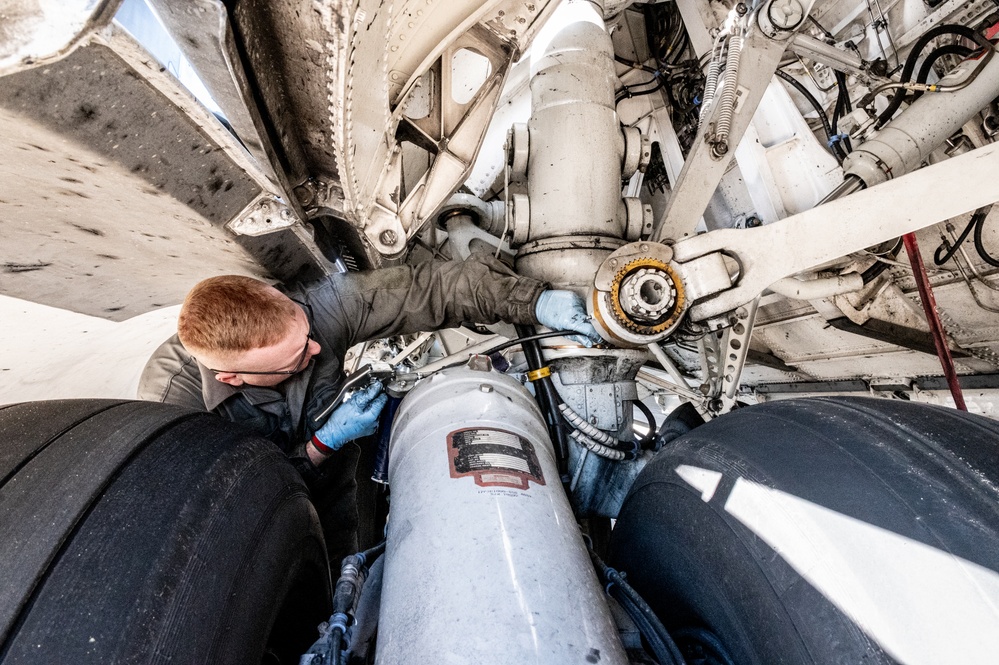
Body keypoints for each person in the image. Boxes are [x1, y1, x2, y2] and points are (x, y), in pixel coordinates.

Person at [138, 252, 599, 559]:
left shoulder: (315, 313)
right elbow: (231, 518)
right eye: (298, 359)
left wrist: (535, 302)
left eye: (306, 333)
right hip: (275, 499)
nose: (316, 351)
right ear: (232, 378)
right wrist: (321, 442)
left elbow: (432, 289)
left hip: (337, 468)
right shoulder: (179, 412)